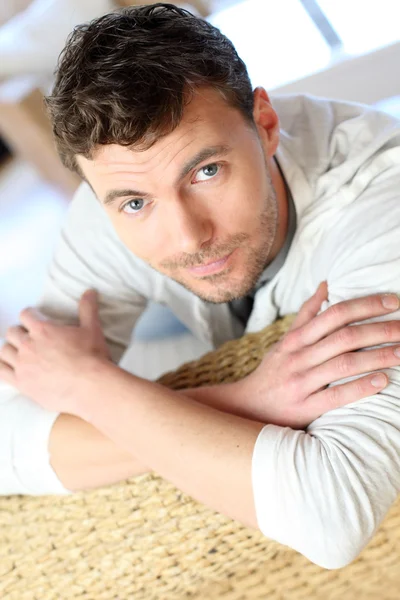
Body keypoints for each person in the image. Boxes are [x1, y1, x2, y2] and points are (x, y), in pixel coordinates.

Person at [1, 3, 400, 570]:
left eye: (205, 171)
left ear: (265, 125)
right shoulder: (113, 192)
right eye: (137, 204)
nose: (189, 235)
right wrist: (241, 398)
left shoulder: (381, 205)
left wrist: (88, 388)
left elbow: (331, 519)